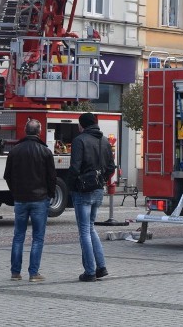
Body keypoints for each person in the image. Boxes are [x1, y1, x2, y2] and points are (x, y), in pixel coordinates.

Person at [3, 119, 57, 282]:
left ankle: (15, 272)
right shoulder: (45, 151)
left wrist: (15, 192)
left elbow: (7, 175)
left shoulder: (15, 150)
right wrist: (49, 194)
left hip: (20, 199)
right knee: (38, 237)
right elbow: (51, 177)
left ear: (25, 131)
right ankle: (33, 273)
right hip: (40, 199)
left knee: (18, 236)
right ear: (39, 132)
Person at [68, 112, 116, 281]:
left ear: (82, 125)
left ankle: (90, 271)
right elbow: (111, 166)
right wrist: (101, 179)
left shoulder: (79, 140)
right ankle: (101, 267)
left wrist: (71, 185)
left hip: (83, 191)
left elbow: (74, 167)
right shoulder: (104, 141)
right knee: (90, 228)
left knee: (84, 232)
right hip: (98, 190)